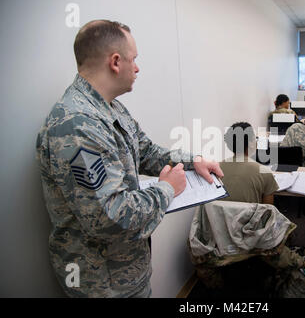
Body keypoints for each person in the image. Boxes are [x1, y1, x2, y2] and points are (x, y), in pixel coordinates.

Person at [35, 20, 223, 298]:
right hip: (101, 283)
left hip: (125, 272)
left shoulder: (111, 108)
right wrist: (167, 188)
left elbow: (146, 151)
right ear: (115, 61)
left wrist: (191, 160)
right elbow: (110, 217)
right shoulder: (78, 125)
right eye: (134, 59)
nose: (137, 68)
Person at [220, 122, 279, 204]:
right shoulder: (264, 172)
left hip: (220, 217)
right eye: (255, 139)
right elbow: (268, 210)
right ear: (251, 143)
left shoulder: (216, 169)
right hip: (250, 217)